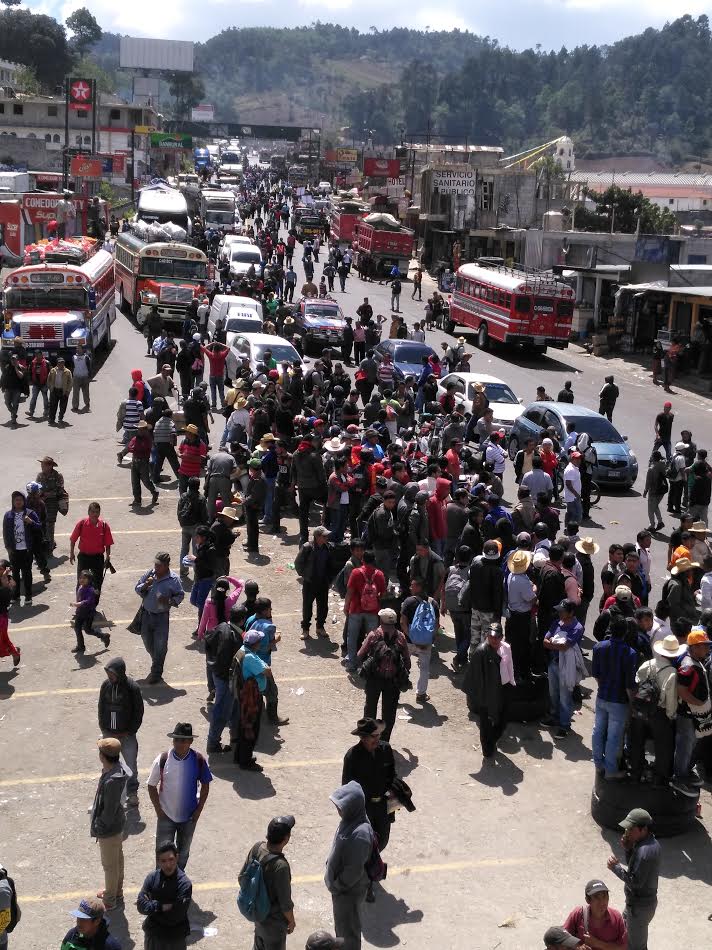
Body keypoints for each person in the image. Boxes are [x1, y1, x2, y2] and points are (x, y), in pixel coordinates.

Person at [342, 718, 398, 902]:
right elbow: (346, 787)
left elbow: (392, 774)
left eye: (379, 735)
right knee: (367, 845)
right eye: (374, 736)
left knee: (382, 841)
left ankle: (369, 866)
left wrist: (395, 793)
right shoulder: (352, 756)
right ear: (363, 737)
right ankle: (367, 883)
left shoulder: (385, 750)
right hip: (363, 809)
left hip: (382, 806)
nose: (378, 739)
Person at [146, 722, 212, 870]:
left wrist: (198, 810)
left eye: (183, 740)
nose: (179, 744)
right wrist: (159, 810)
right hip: (166, 816)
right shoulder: (163, 759)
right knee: (162, 853)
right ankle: (160, 882)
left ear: (190, 741)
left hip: (189, 817)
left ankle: (178, 879)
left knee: (183, 853)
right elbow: (151, 785)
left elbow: (206, 785)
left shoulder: (198, 759)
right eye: (176, 740)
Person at [324, 782, 373, 950]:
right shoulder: (349, 819)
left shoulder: (360, 834)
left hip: (347, 892)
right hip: (341, 890)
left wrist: (337, 886)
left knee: (348, 933)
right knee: (342, 929)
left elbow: (353, 871)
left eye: (341, 806)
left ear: (352, 807)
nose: (338, 809)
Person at [607, 808, 660, 950]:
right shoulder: (646, 842)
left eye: (631, 829)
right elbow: (635, 868)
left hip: (639, 909)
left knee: (636, 947)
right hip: (636, 905)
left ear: (643, 829)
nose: (627, 832)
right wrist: (628, 849)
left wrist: (616, 868)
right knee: (624, 934)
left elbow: (636, 881)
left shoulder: (645, 852)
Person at [239, 816, 296, 950]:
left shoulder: (257, 847)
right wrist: (291, 921)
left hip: (257, 914)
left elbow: (241, 878)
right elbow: (285, 904)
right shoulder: (280, 866)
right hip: (274, 924)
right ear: (286, 839)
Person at [591, 617, 637, 780]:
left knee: (598, 731)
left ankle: (598, 765)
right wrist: (632, 705)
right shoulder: (630, 653)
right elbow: (629, 684)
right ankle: (611, 771)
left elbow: (596, 675)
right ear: (625, 633)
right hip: (619, 702)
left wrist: (603, 688)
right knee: (613, 737)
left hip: (602, 696)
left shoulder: (598, 647)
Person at [356, 608, 411, 741]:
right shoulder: (401, 637)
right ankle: (384, 742)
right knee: (389, 713)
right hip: (392, 682)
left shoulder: (374, 635)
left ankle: (368, 739)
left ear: (380, 620)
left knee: (370, 709)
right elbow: (407, 660)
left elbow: (359, 655)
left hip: (374, 679)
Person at [135, 552, 185, 684]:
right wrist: (146, 585)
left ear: (166, 566)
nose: (155, 568)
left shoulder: (174, 580)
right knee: (147, 641)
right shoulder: (150, 574)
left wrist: (168, 600)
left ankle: (156, 672)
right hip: (146, 614)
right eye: (155, 565)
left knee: (161, 645)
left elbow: (180, 596)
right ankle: (157, 660)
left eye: (158, 565)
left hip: (161, 617)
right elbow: (137, 588)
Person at [90, 737, 128, 912]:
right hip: (117, 826)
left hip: (109, 829)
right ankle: (116, 891)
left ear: (102, 755)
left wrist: (99, 825)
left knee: (110, 866)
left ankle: (111, 899)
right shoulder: (114, 770)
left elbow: (109, 810)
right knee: (117, 860)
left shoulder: (112, 780)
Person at [137, 841, 192, 950]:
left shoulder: (184, 884)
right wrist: (160, 906)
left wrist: (152, 908)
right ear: (158, 861)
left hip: (174, 939)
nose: (168, 865)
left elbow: (175, 917)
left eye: (171, 859)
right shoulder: (152, 878)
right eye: (163, 861)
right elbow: (141, 906)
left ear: (177, 857)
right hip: (153, 936)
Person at [542, 599, 585, 739]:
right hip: (554, 663)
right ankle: (554, 717)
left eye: (563, 610)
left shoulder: (577, 627)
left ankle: (564, 725)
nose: (559, 613)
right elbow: (545, 641)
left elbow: (565, 646)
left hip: (566, 666)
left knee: (565, 697)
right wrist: (556, 645)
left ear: (571, 612)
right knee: (553, 693)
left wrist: (553, 644)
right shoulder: (556, 623)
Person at [344, 550, 386, 674]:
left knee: (352, 637)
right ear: (374, 560)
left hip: (356, 609)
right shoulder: (379, 574)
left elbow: (350, 592)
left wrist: (346, 606)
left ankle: (352, 663)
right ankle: (371, 664)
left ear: (363, 560)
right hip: (373, 611)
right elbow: (382, 593)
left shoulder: (356, 572)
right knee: (372, 639)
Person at [469, 623, 507, 759]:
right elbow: (474, 678)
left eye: (497, 637)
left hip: (498, 693)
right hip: (485, 697)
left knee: (502, 722)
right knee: (485, 726)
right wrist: (480, 700)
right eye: (491, 637)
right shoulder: (481, 652)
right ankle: (487, 751)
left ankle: (492, 742)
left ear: (501, 637)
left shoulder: (504, 649)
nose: (494, 640)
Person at [400, 577, 439, 702]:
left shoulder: (408, 601)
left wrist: (411, 637)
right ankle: (421, 694)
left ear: (419, 587)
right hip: (426, 643)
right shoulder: (433, 603)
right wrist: (428, 640)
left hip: (409, 642)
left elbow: (402, 622)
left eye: (413, 585)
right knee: (424, 669)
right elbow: (436, 625)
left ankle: (397, 692)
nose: (410, 587)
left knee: (402, 665)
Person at [295, 526, 337, 640]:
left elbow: (331, 565)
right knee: (307, 606)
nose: (326, 538)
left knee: (323, 606)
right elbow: (298, 563)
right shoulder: (307, 547)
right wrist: (305, 575)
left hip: (323, 582)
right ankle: (305, 629)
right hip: (310, 582)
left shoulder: (328, 548)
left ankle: (320, 627)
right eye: (324, 536)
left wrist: (329, 579)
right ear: (317, 537)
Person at [562, 879, 627, 949]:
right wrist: (578, 946)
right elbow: (562, 935)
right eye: (597, 897)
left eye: (604, 896)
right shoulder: (578, 914)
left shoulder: (616, 918)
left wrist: (598, 943)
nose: (602, 902)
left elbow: (623, 947)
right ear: (587, 900)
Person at [3, 491, 41, 607]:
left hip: (26, 549)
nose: (18, 502)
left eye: (20, 499)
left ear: (24, 501)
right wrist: (8, 547)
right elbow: (5, 533)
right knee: (14, 574)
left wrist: (31, 522)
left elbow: (39, 527)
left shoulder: (30, 513)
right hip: (14, 550)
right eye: (16, 500)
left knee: (27, 573)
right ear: (13, 502)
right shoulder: (8, 515)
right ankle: (15, 595)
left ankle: (28, 595)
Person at [70, 502, 114, 600]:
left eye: (97, 512)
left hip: (98, 558)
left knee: (97, 582)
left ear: (99, 513)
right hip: (83, 557)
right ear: (88, 512)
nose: (95, 514)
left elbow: (108, 544)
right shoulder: (81, 524)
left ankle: (93, 605)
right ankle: (80, 604)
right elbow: (73, 539)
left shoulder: (104, 526)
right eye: (93, 512)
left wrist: (108, 557)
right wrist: (72, 553)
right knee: (81, 581)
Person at [643, 451, 667, 532]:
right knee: (655, 506)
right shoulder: (663, 465)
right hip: (662, 490)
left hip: (654, 491)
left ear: (653, 457)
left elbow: (648, 482)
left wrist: (645, 491)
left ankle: (652, 526)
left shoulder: (651, 469)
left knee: (650, 509)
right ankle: (660, 522)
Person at [47, 356, 72, 425]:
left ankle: (60, 418)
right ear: (57, 364)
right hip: (54, 390)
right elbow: (48, 380)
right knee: (52, 406)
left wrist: (68, 391)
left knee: (63, 406)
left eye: (62, 363)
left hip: (63, 391)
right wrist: (50, 388)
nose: (61, 364)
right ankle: (52, 419)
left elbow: (70, 382)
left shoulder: (67, 371)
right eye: (60, 363)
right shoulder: (52, 370)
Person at [71, 342, 92, 413]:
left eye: (79, 348)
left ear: (83, 349)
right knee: (75, 393)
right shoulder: (73, 357)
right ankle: (75, 406)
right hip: (76, 377)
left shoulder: (86, 357)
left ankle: (87, 404)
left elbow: (89, 367)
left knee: (86, 392)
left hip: (85, 377)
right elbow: (72, 367)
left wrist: (90, 377)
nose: (78, 349)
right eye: (77, 348)